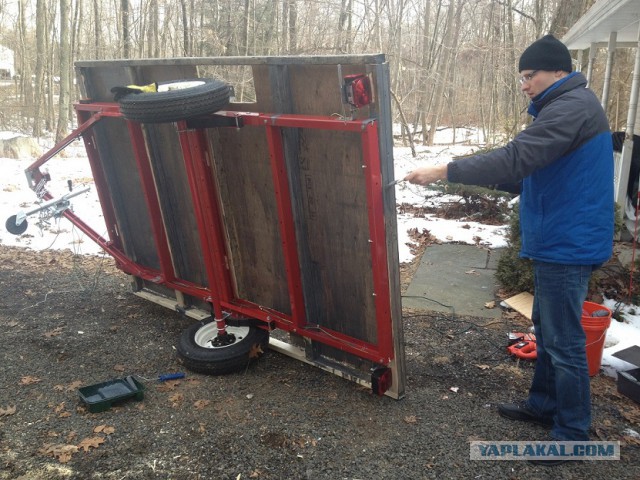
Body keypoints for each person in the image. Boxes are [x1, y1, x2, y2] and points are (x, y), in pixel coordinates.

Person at [405, 34, 614, 461]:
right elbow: (526, 171)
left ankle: (573, 435)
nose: (524, 84)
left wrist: (445, 169)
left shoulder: (571, 108)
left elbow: (517, 156)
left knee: (564, 340)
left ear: (558, 71)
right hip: (557, 237)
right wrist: (487, 176)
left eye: (529, 75)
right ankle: (543, 406)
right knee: (548, 327)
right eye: (521, 76)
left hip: (566, 242)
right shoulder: (563, 107)